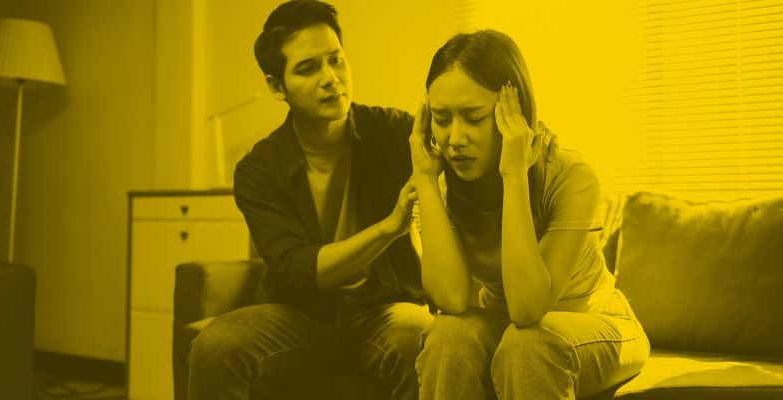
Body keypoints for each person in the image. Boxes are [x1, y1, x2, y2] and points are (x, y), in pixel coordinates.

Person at [186, 1, 433, 399]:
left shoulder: (394, 133)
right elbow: (298, 270)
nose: (331, 78)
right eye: (307, 68)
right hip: (298, 315)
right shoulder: (258, 169)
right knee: (214, 347)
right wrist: (390, 228)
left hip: (382, 309)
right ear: (276, 86)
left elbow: (461, 158)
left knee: (420, 336)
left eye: (336, 60)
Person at [410, 30, 650, 399]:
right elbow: (452, 300)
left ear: (514, 113)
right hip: (508, 328)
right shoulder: (444, 187)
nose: (455, 138)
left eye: (473, 117)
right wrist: (425, 179)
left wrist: (514, 176)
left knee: (531, 344)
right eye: (442, 119)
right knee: (448, 334)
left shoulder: (570, 176)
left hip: (595, 321)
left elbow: (527, 307)